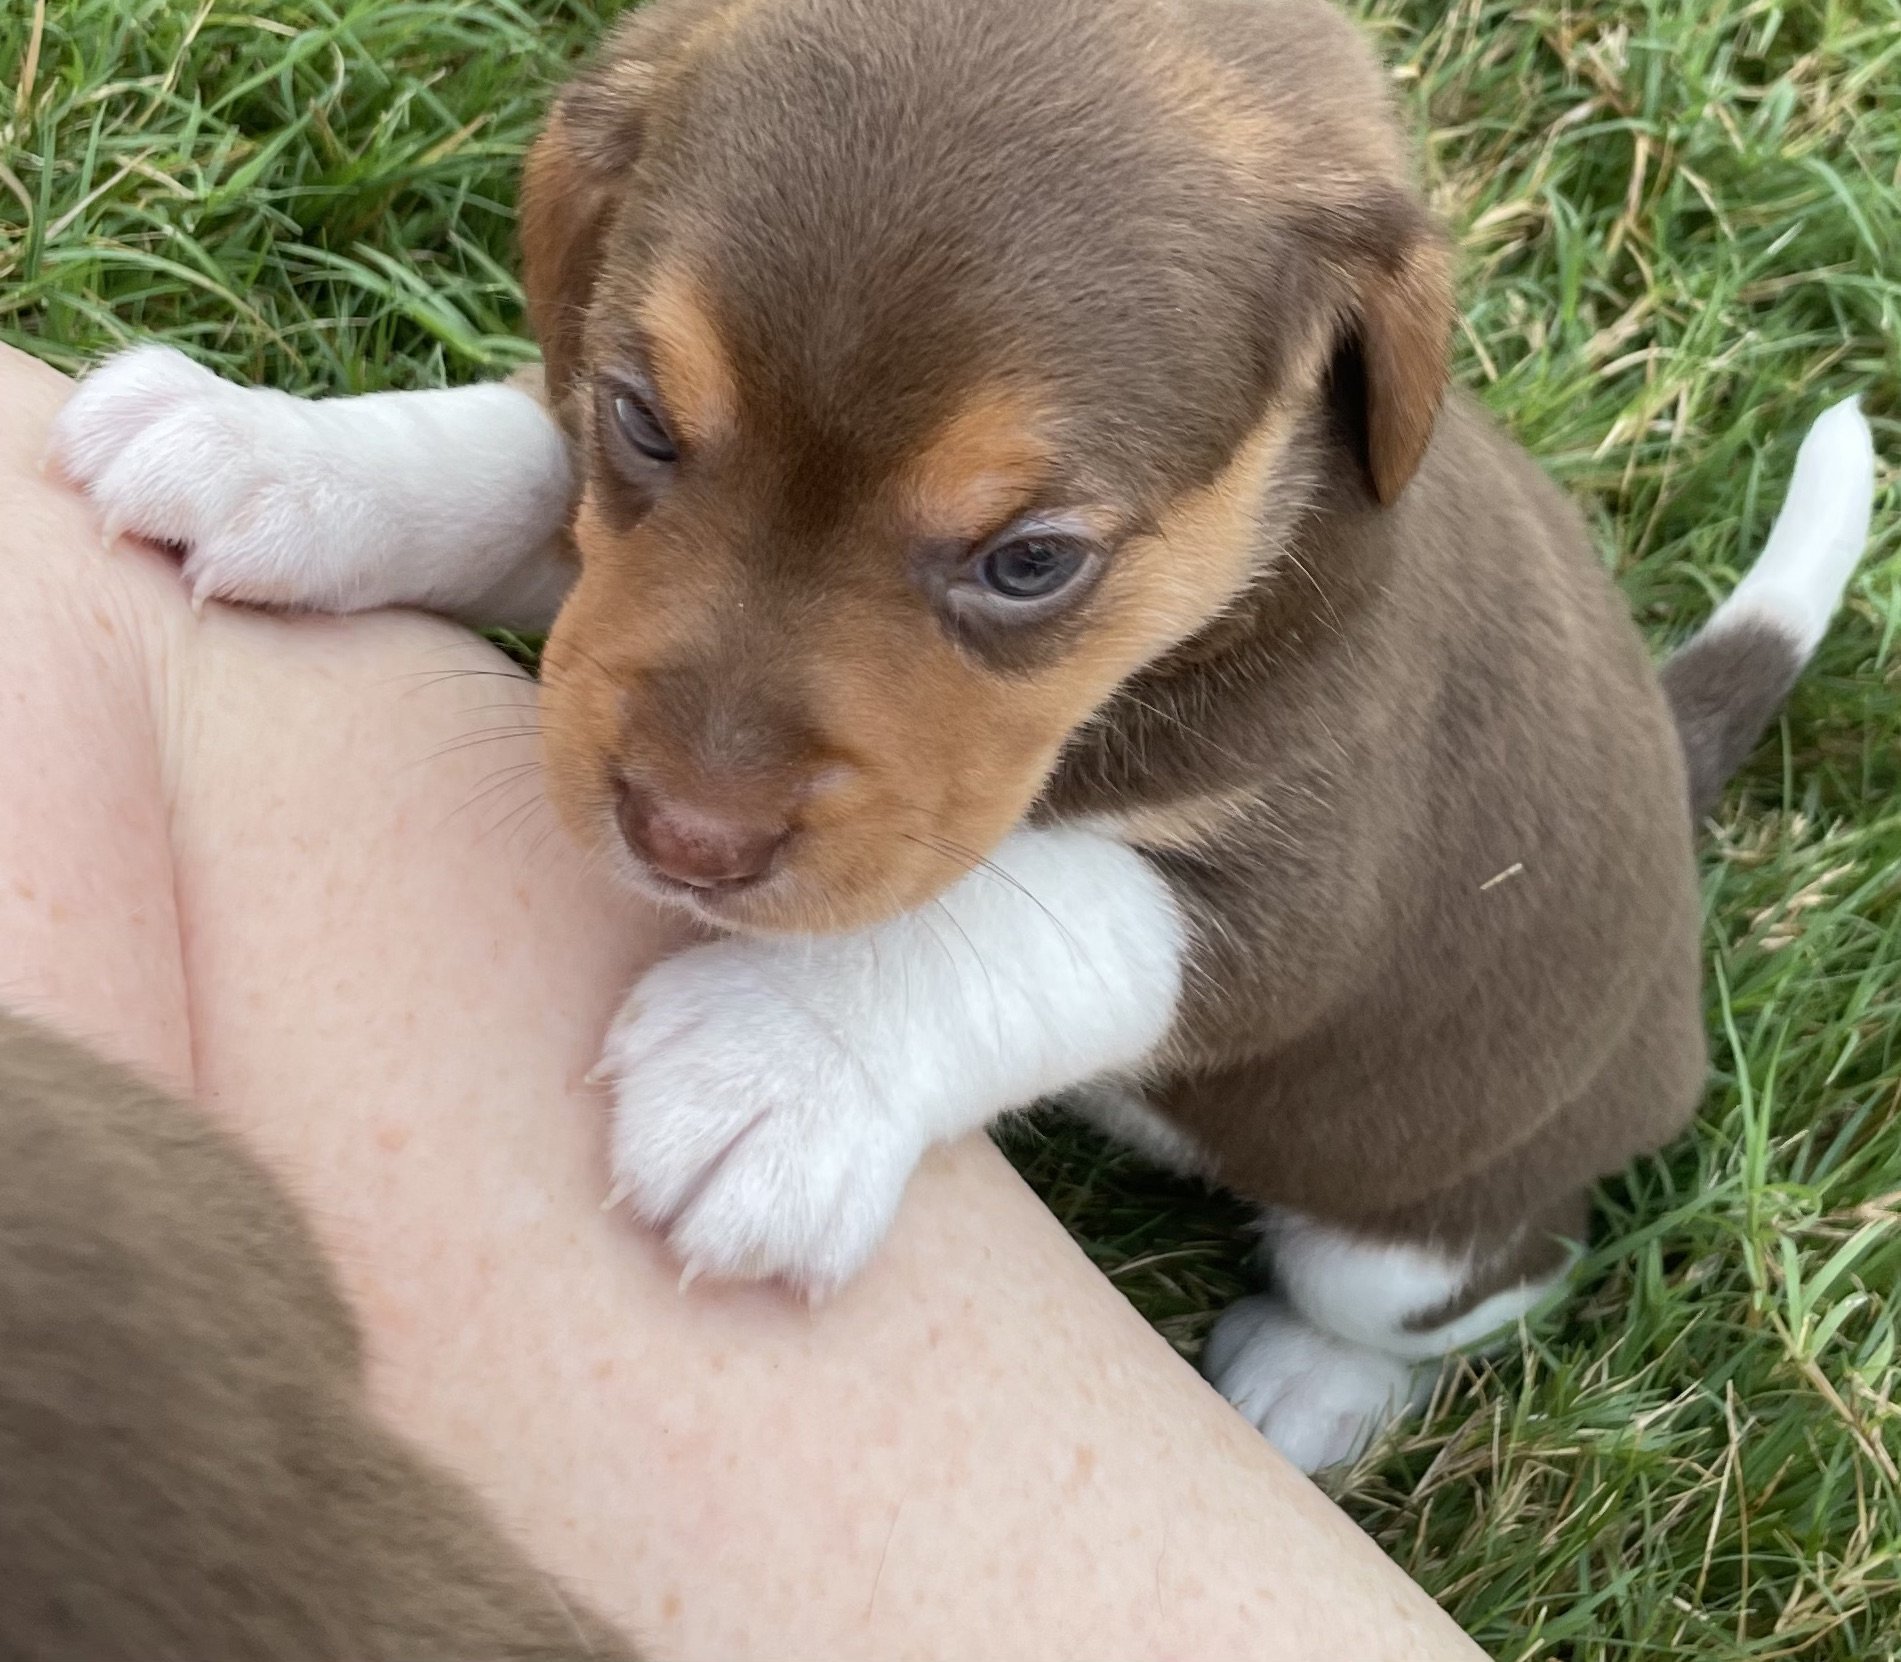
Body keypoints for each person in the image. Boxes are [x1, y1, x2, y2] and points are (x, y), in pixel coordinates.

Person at [0, 339, 1480, 1661]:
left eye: (1025, 561)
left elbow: (1250, 923)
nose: (701, 811)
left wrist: (867, 1030)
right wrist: (379, 479)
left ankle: (1400, 1325)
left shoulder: (1305, 613)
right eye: (652, 430)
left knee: (1377, 1277)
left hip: (1387, 1127)